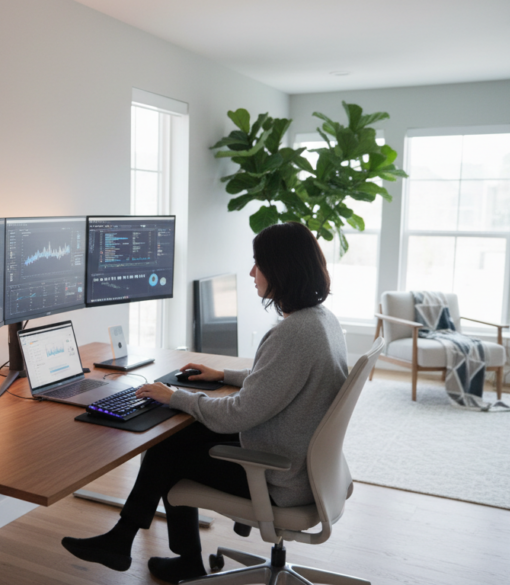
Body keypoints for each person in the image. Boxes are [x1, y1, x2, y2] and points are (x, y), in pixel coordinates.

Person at [61, 221, 348, 583]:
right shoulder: (321, 320)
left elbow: (237, 414)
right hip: (302, 465)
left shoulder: (293, 334)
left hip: (278, 476)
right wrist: (223, 375)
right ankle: (138, 545)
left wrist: (175, 396)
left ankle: (141, 546)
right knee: (176, 437)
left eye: (258, 264)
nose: (252, 272)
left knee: (169, 454)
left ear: (281, 269)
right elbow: (280, 379)